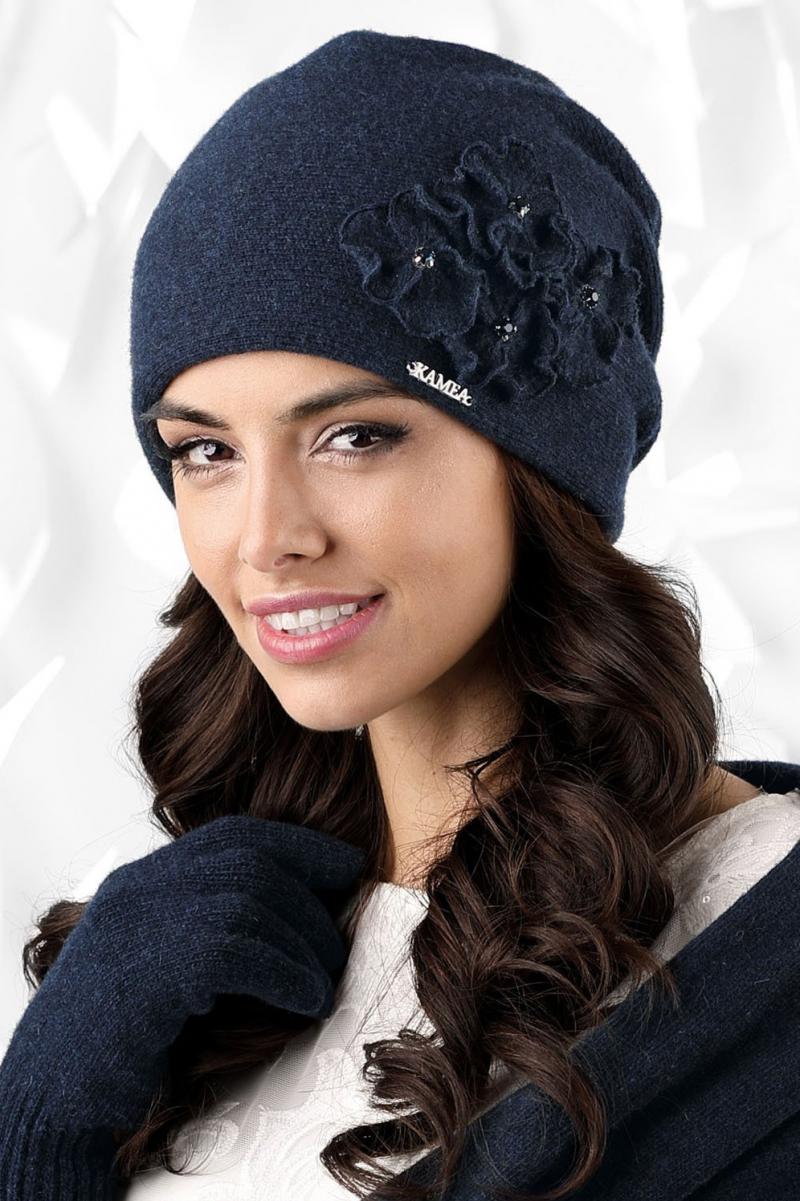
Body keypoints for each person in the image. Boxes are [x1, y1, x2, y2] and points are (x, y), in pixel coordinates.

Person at [1, 29, 799, 1201]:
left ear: (538, 462)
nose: (265, 536)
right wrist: (45, 1119)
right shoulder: (199, 939)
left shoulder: (760, 945)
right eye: (205, 450)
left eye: (354, 435)